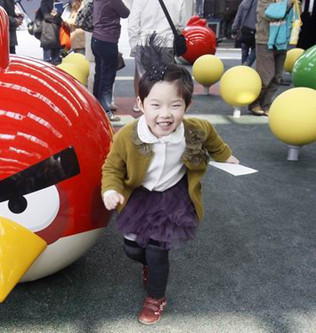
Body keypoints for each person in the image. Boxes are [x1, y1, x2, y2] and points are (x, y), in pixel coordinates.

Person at [101, 36, 239, 325]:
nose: (165, 115)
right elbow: (112, 167)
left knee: (157, 251)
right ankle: (148, 265)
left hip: (173, 197)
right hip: (140, 196)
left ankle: (155, 297)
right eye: (156, 105)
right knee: (133, 249)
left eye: (175, 105)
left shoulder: (195, 129)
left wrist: (226, 157)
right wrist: (111, 189)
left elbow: (213, 141)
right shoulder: (127, 136)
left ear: (187, 105)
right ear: (140, 104)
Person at [128, 0, 187, 112]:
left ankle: (141, 104)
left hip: (144, 42)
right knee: (166, 79)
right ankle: (163, 106)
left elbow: (133, 23)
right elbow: (181, 24)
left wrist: (134, 45)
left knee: (143, 78)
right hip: (167, 43)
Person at [248, 0, 295, 116]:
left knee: (277, 77)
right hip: (265, 41)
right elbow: (270, 14)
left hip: (282, 41)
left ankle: (266, 104)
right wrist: (289, 4)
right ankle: (254, 103)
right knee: (266, 75)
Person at [92, 0, 130, 122]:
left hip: (96, 39)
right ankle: (105, 110)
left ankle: (96, 106)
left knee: (99, 75)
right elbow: (125, 13)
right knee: (107, 78)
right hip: (108, 40)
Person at [232, 0, 258, 67]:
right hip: (256, 30)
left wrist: (234, 29)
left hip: (244, 30)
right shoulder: (260, 3)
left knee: (244, 51)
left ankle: (243, 68)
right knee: (256, 49)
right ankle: (248, 63)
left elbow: (238, 17)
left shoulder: (243, 3)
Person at [39, 0, 63, 64]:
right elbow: (46, 16)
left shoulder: (58, 2)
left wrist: (58, 15)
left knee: (56, 60)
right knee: (47, 61)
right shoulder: (45, 2)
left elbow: (61, 16)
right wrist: (56, 18)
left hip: (57, 34)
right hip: (48, 32)